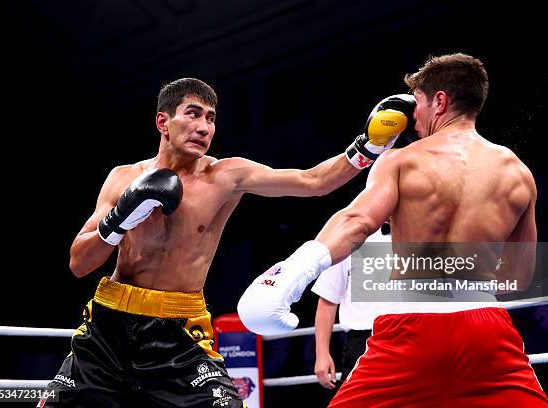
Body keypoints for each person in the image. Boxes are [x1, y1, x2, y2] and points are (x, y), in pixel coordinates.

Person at [41, 78, 415, 407]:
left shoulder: (226, 176)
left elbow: (312, 181)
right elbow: (79, 263)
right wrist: (116, 223)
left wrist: (369, 146)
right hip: (108, 326)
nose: (204, 126)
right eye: (192, 114)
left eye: (210, 118)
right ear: (162, 122)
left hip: (178, 330)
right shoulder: (123, 178)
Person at [238, 53, 548, 406]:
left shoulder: (402, 161)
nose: (411, 115)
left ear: (440, 101)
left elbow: (357, 223)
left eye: (417, 102)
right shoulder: (518, 173)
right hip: (487, 331)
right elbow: (520, 276)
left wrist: (291, 273)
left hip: (411, 330)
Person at [313, 225, 394, 390]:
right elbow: (328, 299)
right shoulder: (349, 238)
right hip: (363, 344)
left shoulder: (423, 234)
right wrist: (321, 353)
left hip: (413, 336)